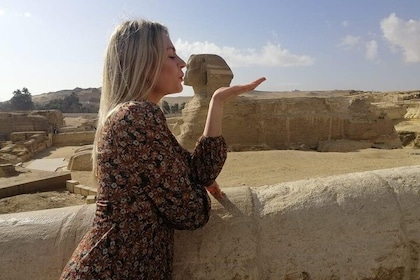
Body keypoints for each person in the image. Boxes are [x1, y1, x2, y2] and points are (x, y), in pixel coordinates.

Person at [60, 19, 265, 279]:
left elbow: (200, 173)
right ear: (143, 64)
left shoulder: (139, 114)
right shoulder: (137, 116)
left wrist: (216, 103)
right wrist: (193, 187)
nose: (182, 63)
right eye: (171, 55)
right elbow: (191, 212)